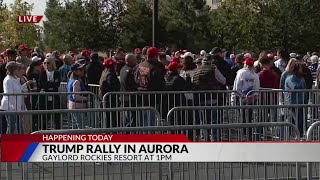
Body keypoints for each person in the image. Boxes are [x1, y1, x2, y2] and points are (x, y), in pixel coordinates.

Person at [134, 47, 165, 126]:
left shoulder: (140, 65)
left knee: (143, 123)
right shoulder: (155, 68)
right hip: (152, 99)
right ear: (155, 56)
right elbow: (159, 83)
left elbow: (135, 79)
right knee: (151, 123)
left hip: (141, 97)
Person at [0, 62, 32, 134]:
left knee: (18, 125)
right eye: (18, 69)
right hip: (9, 107)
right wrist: (13, 107)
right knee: (11, 126)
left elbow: (19, 89)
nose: (19, 70)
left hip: (16, 106)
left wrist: (25, 85)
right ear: (14, 70)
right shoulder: (8, 80)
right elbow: (9, 93)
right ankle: (8, 142)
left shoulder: (15, 79)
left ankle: (18, 141)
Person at [38, 58, 61, 130]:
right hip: (45, 97)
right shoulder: (42, 73)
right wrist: (50, 85)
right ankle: (44, 131)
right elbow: (41, 84)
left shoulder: (57, 73)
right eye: (44, 63)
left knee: (56, 116)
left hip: (55, 97)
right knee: (45, 116)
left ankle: (57, 132)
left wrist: (49, 85)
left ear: (52, 63)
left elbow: (57, 84)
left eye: (48, 63)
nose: (46, 65)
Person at [285, 62, 305, 136]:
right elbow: (296, 87)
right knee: (297, 120)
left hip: (300, 102)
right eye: (299, 68)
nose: (301, 69)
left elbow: (303, 87)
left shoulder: (301, 78)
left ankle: (299, 134)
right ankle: (298, 135)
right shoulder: (290, 78)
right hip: (293, 103)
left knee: (299, 120)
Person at [100, 58, 120, 128]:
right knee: (112, 121)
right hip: (111, 101)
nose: (116, 66)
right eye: (115, 65)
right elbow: (111, 87)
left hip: (107, 100)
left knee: (108, 120)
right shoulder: (111, 75)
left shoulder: (104, 72)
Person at [67, 63, 89, 129]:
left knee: (75, 126)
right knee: (81, 126)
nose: (82, 70)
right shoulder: (76, 82)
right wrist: (87, 98)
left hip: (73, 106)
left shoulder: (71, 80)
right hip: (77, 106)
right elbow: (76, 96)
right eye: (80, 69)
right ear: (75, 71)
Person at [16, 63, 33, 134]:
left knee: (28, 121)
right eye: (23, 68)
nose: (24, 69)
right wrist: (26, 84)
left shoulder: (25, 78)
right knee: (23, 122)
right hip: (21, 102)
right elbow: (18, 89)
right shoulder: (16, 79)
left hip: (27, 101)